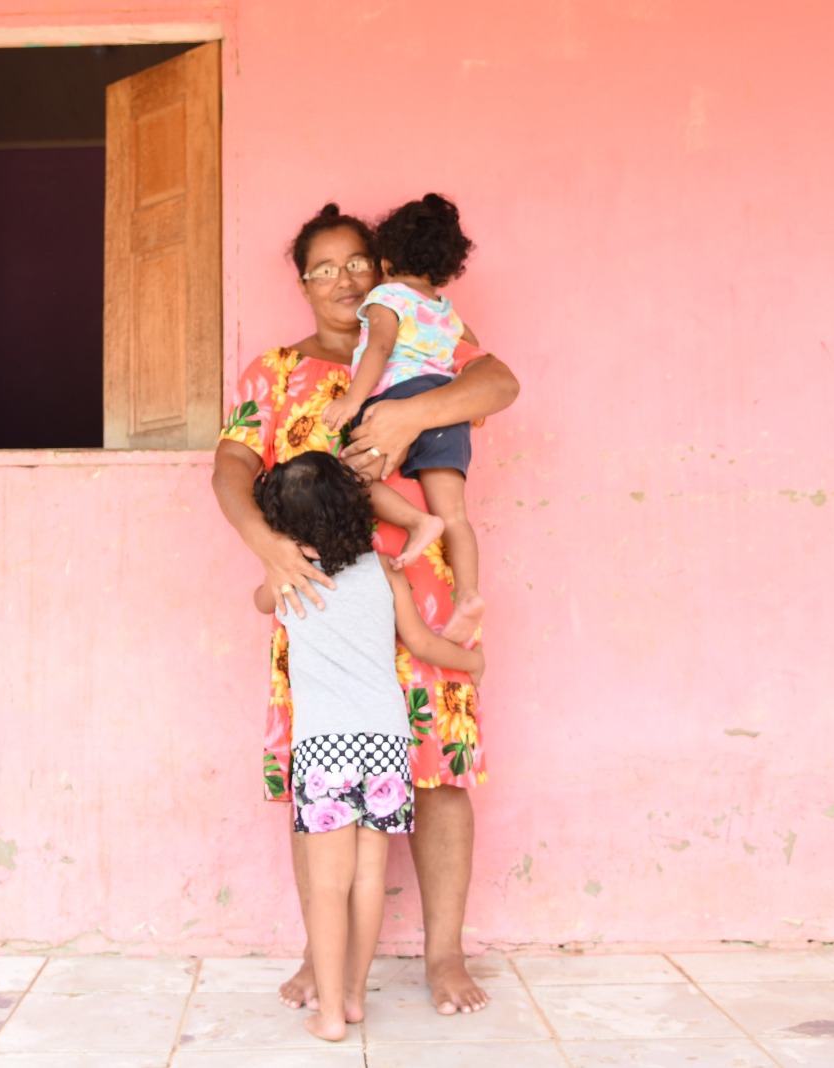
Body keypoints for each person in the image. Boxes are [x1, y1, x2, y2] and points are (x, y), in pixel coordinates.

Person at [211, 202, 520, 1015]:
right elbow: (231, 467)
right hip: (319, 602)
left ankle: (444, 957)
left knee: (440, 767)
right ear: (303, 282)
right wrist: (267, 549)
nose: (345, 279)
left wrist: (413, 410)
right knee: (320, 778)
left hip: (420, 586)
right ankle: (325, 955)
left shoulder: (423, 343)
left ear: (381, 271)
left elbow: (499, 381)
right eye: (325, 267)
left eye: (358, 264)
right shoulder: (275, 372)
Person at [250, 451, 485, 1042]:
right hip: (385, 745)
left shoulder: (285, 581)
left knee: (329, 884)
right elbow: (424, 646)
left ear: (283, 526)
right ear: (357, 508)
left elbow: (261, 601)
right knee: (366, 880)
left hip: (324, 749)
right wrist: (473, 661)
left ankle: (329, 1015)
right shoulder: (386, 571)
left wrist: (278, 559)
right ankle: (354, 997)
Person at [321, 194, 484, 644]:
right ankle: (469, 595)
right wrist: (474, 405)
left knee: (350, 479)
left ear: (386, 259)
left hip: (398, 399)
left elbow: (379, 348)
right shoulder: (447, 311)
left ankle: (416, 522)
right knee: (456, 512)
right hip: (446, 407)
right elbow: (472, 353)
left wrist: (354, 401)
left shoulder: (386, 296)